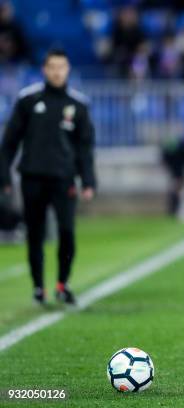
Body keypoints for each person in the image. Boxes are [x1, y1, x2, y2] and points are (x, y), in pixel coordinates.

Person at [0, 48, 96, 306]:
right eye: (52, 67)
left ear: (68, 70)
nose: (56, 72)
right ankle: (38, 287)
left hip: (64, 179)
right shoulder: (28, 100)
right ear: (44, 69)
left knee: (67, 231)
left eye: (61, 67)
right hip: (32, 177)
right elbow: (9, 143)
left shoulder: (78, 105)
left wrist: (88, 181)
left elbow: (85, 148)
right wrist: (4, 177)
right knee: (35, 233)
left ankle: (62, 284)